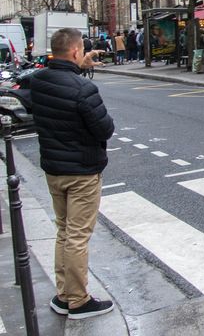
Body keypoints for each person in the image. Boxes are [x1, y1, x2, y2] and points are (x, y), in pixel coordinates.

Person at [30, 28, 115, 320]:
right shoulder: (83, 88)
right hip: (82, 171)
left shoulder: (38, 81)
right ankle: (79, 300)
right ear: (77, 51)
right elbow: (105, 129)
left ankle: (64, 294)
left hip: (53, 169)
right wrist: (81, 74)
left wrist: (79, 67)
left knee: (64, 232)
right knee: (78, 236)